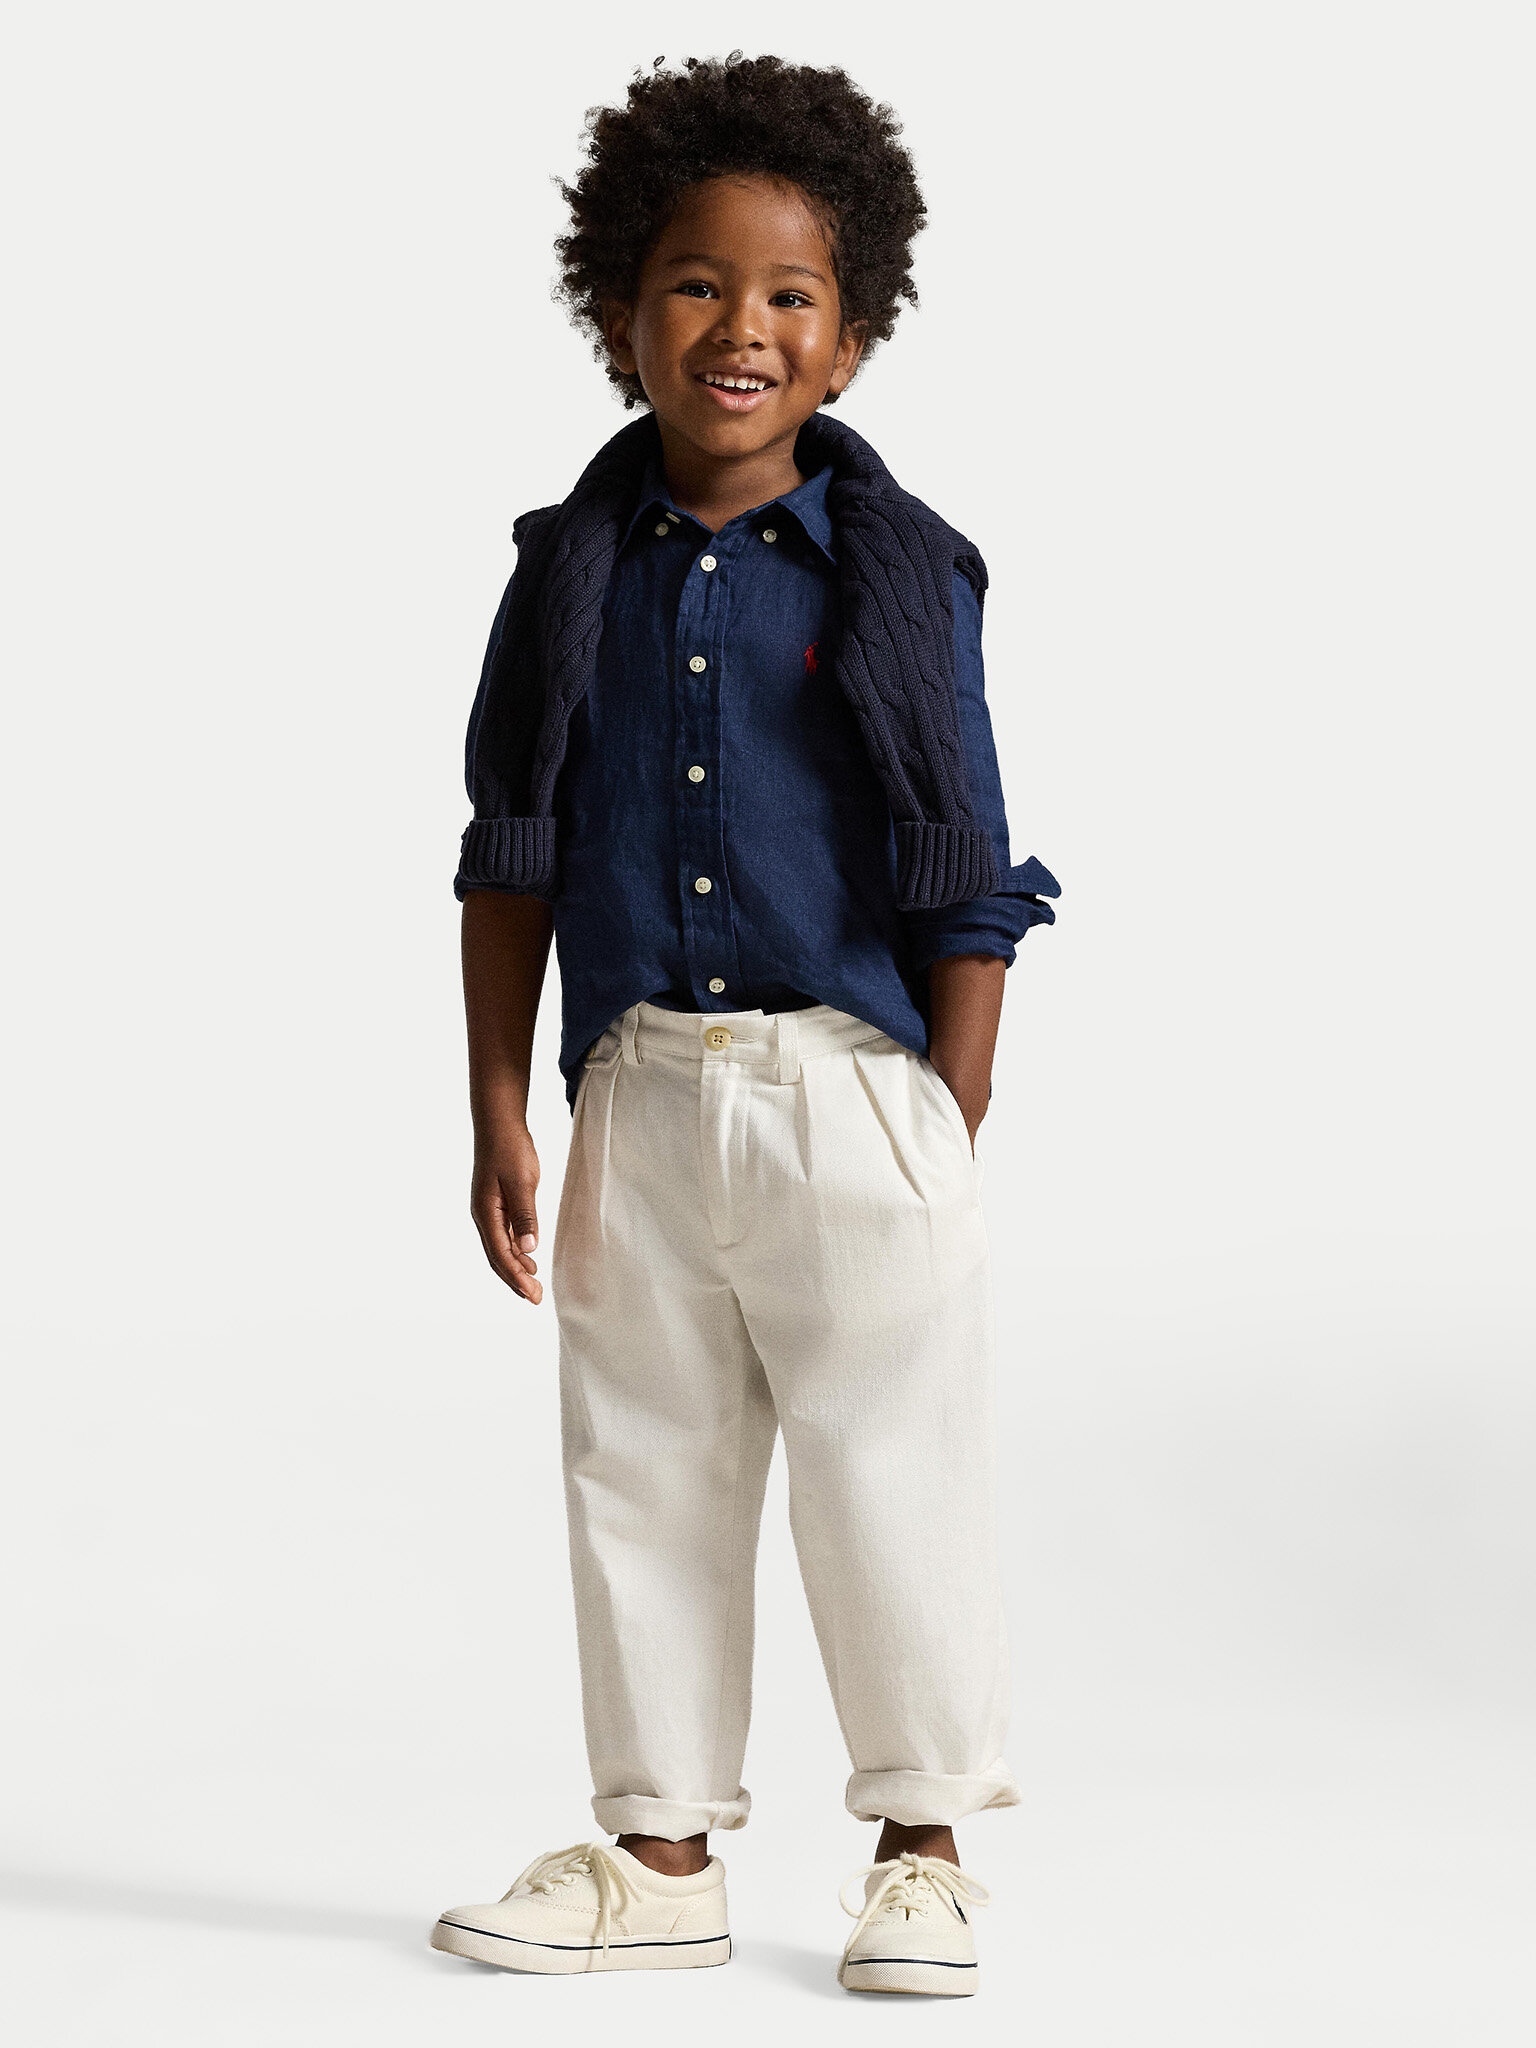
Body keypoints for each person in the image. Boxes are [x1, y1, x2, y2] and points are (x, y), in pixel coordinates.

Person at [429, 53, 1059, 1996]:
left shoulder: (900, 571)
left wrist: (943, 1113)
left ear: (850, 341)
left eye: (791, 296)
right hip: (637, 1095)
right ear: (620, 313)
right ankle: (661, 1854)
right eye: (695, 285)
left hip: (847, 1090)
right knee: (642, 1469)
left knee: (894, 1475)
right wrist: (503, 1106)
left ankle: (924, 1854)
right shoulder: (566, 573)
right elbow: (512, 849)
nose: (742, 328)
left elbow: (964, 853)